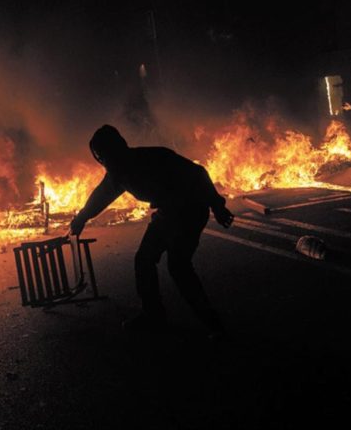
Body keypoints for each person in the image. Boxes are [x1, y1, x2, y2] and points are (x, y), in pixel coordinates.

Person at [69, 125, 233, 337]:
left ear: (115, 150)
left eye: (104, 156)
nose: (104, 163)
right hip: (167, 213)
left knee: (178, 266)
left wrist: (217, 205)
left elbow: (198, 173)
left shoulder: (152, 157)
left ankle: (212, 324)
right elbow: (102, 195)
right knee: (144, 260)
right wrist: (82, 217)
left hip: (190, 211)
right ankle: (154, 315)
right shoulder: (119, 172)